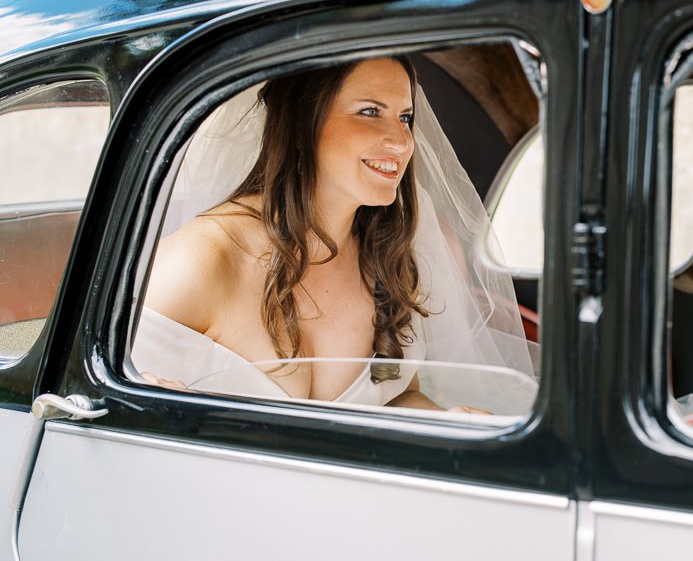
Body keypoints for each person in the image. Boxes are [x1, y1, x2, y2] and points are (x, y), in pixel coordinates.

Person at [131, 55, 537, 415]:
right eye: (369, 111)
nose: (401, 141)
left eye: (405, 117)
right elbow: (100, 400)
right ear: (302, 122)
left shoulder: (391, 260)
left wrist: (445, 420)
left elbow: (395, 396)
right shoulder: (203, 258)